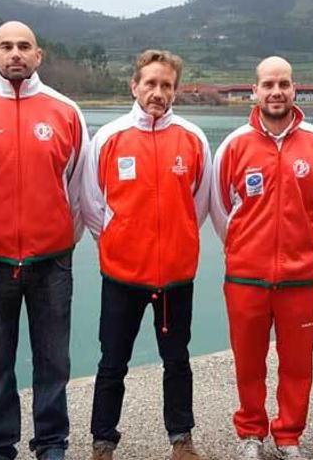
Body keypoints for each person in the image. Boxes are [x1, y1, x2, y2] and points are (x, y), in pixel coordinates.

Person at [0, 21, 88, 460]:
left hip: (52, 261)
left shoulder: (66, 111)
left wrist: (59, 239)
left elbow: (80, 191)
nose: (15, 53)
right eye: (6, 46)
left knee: (54, 361)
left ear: (38, 55)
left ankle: (51, 443)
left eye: (24, 46)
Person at [81, 49, 211, 460]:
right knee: (112, 362)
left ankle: (181, 439)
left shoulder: (192, 138)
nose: (158, 92)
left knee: (177, 361)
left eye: (166, 85)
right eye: (150, 83)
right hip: (122, 275)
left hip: (175, 275)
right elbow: (91, 204)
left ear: (176, 90)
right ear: (134, 85)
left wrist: (176, 237)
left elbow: (201, 203)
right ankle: (103, 440)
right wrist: (122, 240)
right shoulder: (107, 137)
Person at [210, 57, 313, 460]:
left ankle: (288, 436)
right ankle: (251, 433)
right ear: (255, 91)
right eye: (268, 84)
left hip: (300, 278)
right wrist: (245, 249)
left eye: (283, 83)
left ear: (294, 88)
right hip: (245, 277)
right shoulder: (234, 145)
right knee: (249, 362)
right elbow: (220, 209)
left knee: (297, 364)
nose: (276, 91)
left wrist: (302, 246)